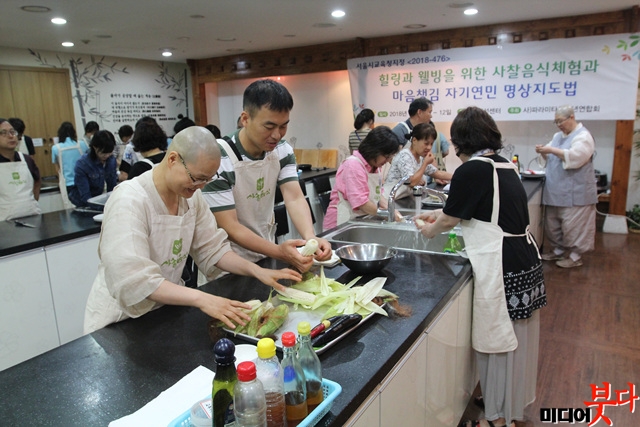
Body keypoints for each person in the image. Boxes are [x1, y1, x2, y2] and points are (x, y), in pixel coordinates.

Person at [83, 126, 302, 333]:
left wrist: (257, 271)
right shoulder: (130, 200)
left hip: (162, 312)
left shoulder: (191, 196)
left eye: (207, 180)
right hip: (119, 321)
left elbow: (212, 248)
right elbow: (134, 280)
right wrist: (201, 298)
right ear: (172, 159)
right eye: (197, 178)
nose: (201, 186)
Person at [415, 107, 546, 427]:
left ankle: (497, 419)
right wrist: (444, 218)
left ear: (460, 142)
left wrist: (431, 228)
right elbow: (468, 211)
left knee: (497, 341)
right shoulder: (503, 164)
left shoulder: (473, 168)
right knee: (515, 338)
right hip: (524, 257)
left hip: (501, 262)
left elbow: (448, 217)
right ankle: (506, 404)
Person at [202, 79, 331, 272]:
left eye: (283, 126)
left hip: (265, 252)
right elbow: (231, 226)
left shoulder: (282, 150)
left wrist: (310, 237)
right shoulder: (218, 157)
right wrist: (280, 252)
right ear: (245, 119)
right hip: (227, 262)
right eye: (269, 127)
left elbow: (294, 197)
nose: (277, 135)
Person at [535, 105, 597, 268]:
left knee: (574, 227)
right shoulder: (557, 136)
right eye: (556, 122)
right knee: (553, 225)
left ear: (571, 117)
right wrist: (543, 151)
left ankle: (576, 256)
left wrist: (552, 150)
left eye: (561, 121)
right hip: (555, 190)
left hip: (576, 192)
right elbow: (549, 156)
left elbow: (577, 157)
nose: (559, 125)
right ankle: (557, 251)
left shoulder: (583, 136)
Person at [323, 126, 400, 230]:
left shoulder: (375, 167)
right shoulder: (353, 165)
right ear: (375, 150)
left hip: (358, 220)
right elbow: (361, 203)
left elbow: (378, 195)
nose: (387, 160)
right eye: (386, 156)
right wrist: (388, 214)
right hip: (340, 224)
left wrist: (392, 210)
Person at [384, 123, 452, 199]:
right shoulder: (405, 156)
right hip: (391, 199)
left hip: (404, 199)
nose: (429, 147)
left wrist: (457, 176)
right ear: (414, 140)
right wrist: (425, 163)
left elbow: (436, 173)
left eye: (431, 144)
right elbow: (411, 182)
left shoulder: (420, 157)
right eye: (426, 143)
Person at [391, 98, 450, 173]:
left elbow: (429, 156)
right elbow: (392, 158)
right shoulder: (400, 130)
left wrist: (436, 176)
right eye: (429, 112)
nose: (431, 116)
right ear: (419, 112)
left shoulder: (424, 130)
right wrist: (411, 176)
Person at [0, 118, 41, 221]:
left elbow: (37, 180)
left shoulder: (26, 160)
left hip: (32, 217)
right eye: (4, 133)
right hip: (4, 223)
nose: (11, 136)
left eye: (12, 132)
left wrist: (32, 201)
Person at [68, 130, 118, 207]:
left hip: (100, 201)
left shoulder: (111, 161)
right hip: (83, 204)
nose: (107, 155)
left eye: (109, 152)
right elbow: (86, 197)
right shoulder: (83, 164)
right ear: (95, 147)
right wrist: (103, 208)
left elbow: (112, 189)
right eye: (103, 153)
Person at [51, 121, 89, 207]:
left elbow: (57, 169)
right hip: (84, 182)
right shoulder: (82, 144)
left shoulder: (55, 148)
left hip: (68, 183)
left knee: (71, 209)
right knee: (86, 206)